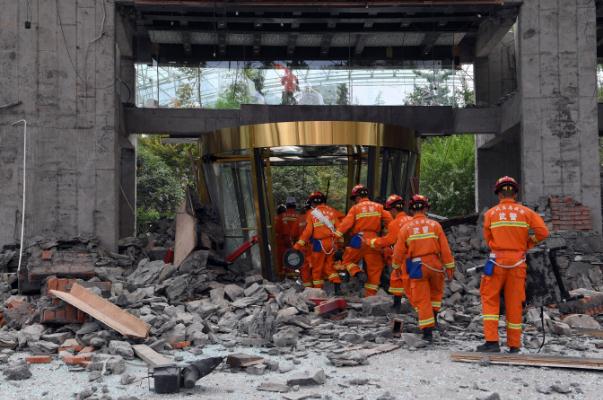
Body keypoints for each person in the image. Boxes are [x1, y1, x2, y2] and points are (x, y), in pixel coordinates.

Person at [477, 176, 549, 353]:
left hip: (496, 262)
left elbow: (488, 239)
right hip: (518, 263)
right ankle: (514, 345)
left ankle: (492, 342)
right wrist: (528, 243)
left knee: (490, 300)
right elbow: (543, 232)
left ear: (498, 194)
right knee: (514, 303)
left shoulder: (491, 214)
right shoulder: (526, 212)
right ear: (515, 193)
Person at [392, 194, 455, 342]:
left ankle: (427, 333)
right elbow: (445, 248)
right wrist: (449, 266)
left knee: (422, 299)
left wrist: (396, 266)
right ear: (426, 208)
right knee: (435, 295)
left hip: (418, 266)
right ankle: (434, 320)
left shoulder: (405, 228)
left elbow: (399, 251)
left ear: (412, 210)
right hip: (435, 264)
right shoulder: (435, 225)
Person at [334, 184, 393, 297]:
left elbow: (346, 224)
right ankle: (370, 297)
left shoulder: (356, 208)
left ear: (357, 197)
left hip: (359, 240)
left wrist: (336, 236)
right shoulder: (379, 207)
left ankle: (358, 272)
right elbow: (390, 222)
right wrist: (387, 237)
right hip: (374, 242)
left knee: (346, 260)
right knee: (374, 270)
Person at [367, 194, 413, 312]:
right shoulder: (412, 220)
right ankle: (409, 305)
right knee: (408, 280)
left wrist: (372, 242)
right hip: (415, 256)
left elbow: (389, 240)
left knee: (398, 279)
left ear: (393, 209)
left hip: (403, 256)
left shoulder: (394, 223)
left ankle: (400, 306)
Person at [294, 192, 344, 293]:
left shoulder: (312, 214)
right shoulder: (332, 211)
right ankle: (337, 284)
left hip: (319, 245)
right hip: (332, 243)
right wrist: (339, 244)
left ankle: (317, 292)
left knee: (317, 269)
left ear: (312, 202)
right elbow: (340, 227)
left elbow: (307, 232)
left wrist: (297, 246)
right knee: (329, 266)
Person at [274, 204, 288, 278]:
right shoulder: (283, 217)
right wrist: (289, 244)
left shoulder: (275, 218)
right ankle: (288, 277)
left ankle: (280, 277)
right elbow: (285, 232)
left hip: (276, 243)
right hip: (283, 243)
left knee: (279, 262)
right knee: (287, 259)